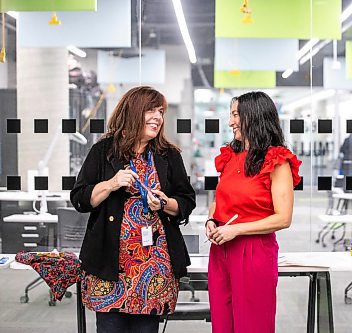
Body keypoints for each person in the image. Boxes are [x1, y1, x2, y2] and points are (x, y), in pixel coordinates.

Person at [71, 86, 196, 333]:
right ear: (133, 112)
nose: (158, 117)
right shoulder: (104, 151)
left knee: (146, 329)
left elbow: (186, 200)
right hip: (109, 266)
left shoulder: (168, 155)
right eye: (150, 110)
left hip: (154, 268)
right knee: (110, 328)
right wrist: (111, 184)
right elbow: (80, 198)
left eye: (160, 111)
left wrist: (164, 203)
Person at [205, 91, 302, 333]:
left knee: (252, 325)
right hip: (221, 252)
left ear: (254, 116)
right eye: (231, 115)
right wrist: (211, 219)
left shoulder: (277, 160)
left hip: (254, 252)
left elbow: (283, 217)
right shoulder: (230, 156)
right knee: (222, 324)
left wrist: (236, 229)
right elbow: (220, 198)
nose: (230, 122)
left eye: (236, 115)